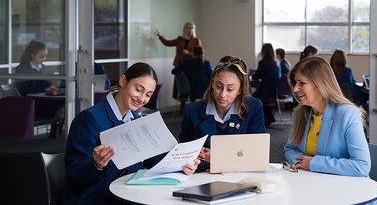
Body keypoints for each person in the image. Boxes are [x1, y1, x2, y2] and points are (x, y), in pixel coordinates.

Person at [63, 62, 199, 204]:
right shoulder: (89, 119)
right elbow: (73, 178)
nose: (142, 99)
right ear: (123, 81)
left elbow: (157, 160)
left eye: (148, 95)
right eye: (138, 89)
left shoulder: (137, 121)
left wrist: (184, 163)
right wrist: (97, 165)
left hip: (127, 197)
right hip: (95, 199)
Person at [283, 56, 377, 204]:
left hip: (351, 195)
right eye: (295, 83)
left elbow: (361, 166)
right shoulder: (302, 113)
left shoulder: (347, 114)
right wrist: (303, 161)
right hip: (316, 191)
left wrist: (314, 163)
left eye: (302, 83)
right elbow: (289, 150)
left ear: (320, 84)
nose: (295, 89)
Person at [179, 55, 266, 172]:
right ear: (213, 83)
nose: (222, 94)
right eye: (219, 87)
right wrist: (189, 164)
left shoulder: (253, 107)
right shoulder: (192, 110)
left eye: (230, 89)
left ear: (240, 90)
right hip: (202, 178)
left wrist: (216, 157)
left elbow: (257, 154)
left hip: (241, 177)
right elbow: (182, 154)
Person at [16, 40, 62, 138]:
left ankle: (54, 134)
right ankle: (54, 134)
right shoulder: (22, 68)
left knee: (61, 103)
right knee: (58, 107)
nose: (44, 59)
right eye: (41, 57)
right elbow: (24, 89)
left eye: (45, 56)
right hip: (30, 102)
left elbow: (48, 83)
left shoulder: (43, 68)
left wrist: (51, 88)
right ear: (33, 55)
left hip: (42, 100)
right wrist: (44, 89)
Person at [155, 21, 202, 113]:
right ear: (185, 29)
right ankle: (182, 107)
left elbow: (199, 54)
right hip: (180, 66)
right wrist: (160, 36)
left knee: (191, 87)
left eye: (192, 28)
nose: (190, 30)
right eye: (189, 28)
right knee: (181, 87)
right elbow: (168, 43)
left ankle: (191, 107)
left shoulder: (196, 40)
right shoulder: (180, 39)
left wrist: (188, 53)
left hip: (191, 67)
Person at [251, 43, 281, 127]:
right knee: (261, 99)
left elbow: (256, 76)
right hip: (274, 89)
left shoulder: (263, 62)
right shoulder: (276, 62)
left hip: (267, 90)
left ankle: (258, 119)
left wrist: (251, 76)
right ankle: (269, 117)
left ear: (263, 51)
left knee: (253, 99)